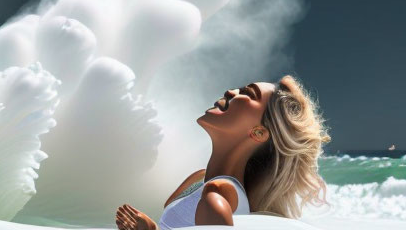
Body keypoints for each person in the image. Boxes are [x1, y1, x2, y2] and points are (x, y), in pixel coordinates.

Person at [115, 76, 331, 229]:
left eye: (248, 94)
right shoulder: (198, 179)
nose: (231, 91)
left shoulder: (217, 194)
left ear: (258, 133)